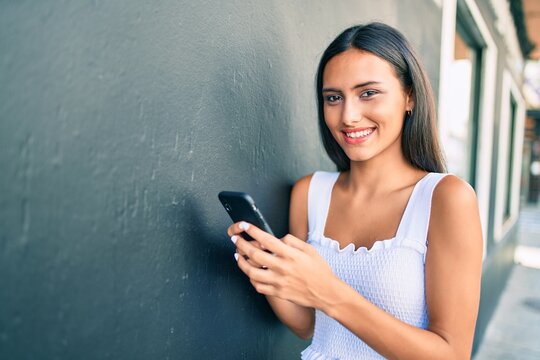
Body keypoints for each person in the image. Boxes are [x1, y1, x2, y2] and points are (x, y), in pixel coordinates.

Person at [227, 22, 483, 359]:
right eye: (333, 98)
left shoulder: (445, 199)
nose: (348, 116)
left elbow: (452, 355)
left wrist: (329, 292)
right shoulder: (310, 192)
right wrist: (265, 269)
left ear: (410, 97)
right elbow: (308, 324)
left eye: (368, 93)